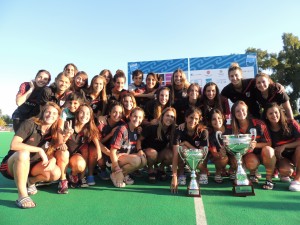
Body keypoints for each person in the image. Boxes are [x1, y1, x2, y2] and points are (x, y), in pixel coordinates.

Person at [0, 102, 62, 208]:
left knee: (55, 173)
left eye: (54, 113)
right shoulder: (30, 123)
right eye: (48, 112)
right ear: (43, 112)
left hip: (32, 165)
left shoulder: (53, 131)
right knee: (24, 153)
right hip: (12, 165)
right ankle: (22, 195)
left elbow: (50, 151)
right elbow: (14, 145)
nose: (50, 115)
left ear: (57, 117)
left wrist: (53, 160)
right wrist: (39, 150)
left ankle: (30, 181)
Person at [231, 100, 276, 189]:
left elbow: (269, 143)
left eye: (243, 110)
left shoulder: (259, 123)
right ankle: (252, 172)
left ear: (247, 110)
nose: (241, 113)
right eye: (237, 111)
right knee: (252, 163)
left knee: (269, 150)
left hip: (263, 153)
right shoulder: (233, 127)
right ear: (234, 113)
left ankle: (269, 179)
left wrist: (256, 145)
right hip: (249, 155)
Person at [56, 104, 101, 192]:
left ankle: (73, 175)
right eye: (82, 112)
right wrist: (67, 135)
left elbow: (95, 137)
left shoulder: (88, 127)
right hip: (61, 155)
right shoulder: (68, 123)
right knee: (64, 152)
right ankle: (63, 180)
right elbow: (59, 144)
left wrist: (99, 150)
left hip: (74, 156)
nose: (84, 116)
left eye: (87, 113)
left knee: (81, 162)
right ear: (77, 113)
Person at [263, 103, 300, 191]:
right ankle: (281, 171)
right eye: (270, 113)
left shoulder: (291, 123)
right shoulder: (265, 128)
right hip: (281, 157)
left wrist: (284, 146)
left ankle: (297, 180)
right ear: (266, 116)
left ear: (280, 112)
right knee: (286, 171)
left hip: (296, 154)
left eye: (276, 112)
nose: (274, 115)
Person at [171, 107, 209, 193]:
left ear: (199, 120)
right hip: (186, 154)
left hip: (199, 158)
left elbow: (202, 154)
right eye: (191, 117)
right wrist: (174, 176)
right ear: (186, 118)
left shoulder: (203, 131)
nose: (193, 121)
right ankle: (181, 172)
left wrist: (186, 143)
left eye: (196, 118)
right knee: (182, 149)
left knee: (199, 152)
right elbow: (175, 154)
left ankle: (202, 171)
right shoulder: (179, 130)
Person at [109, 107, 147, 188]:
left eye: (140, 117)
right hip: (114, 161)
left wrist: (140, 150)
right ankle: (116, 174)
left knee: (143, 160)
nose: (137, 119)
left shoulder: (137, 130)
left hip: (126, 158)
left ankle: (124, 174)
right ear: (130, 116)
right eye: (135, 116)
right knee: (136, 160)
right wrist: (117, 169)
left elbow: (138, 141)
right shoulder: (122, 129)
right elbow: (112, 152)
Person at [137, 107, 176, 183]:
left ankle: (160, 168)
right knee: (153, 153)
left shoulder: (172, 130)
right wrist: (139, 150)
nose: (169, 118)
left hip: (160, 154)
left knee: (172, 154)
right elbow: (139, 140)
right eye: (167, 115)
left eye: (172, 117)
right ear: (162, 116)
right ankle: (150, 169)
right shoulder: (152, 127)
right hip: (147, 154)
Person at [97, 101, 125, 180]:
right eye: (114, 112)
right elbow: (98, 142)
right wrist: (110, 134)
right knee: (97, 153)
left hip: (114, 149)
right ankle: (101, 168)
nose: (117, 115)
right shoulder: (102, 123)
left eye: (120, 113)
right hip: (102, 148)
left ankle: (119, 171)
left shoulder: (122, 124)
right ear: (109, 113)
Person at [207, 109, 234, 183]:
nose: (217, 121)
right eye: (214, 119)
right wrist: (220, 154)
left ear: (223, 118)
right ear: (210, 121)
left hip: (232, 155)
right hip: (219, 157)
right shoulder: (210, 134)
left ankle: (232, 170)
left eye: (219, 118)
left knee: (236, 157)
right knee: (223, 158)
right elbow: (214, 153)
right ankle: (218, 172)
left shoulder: (231, 130)